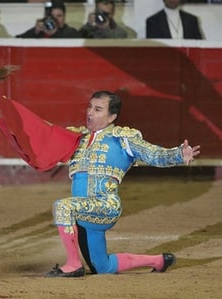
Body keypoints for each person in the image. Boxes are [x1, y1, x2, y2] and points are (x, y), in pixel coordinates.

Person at [45, 90, 200, 277]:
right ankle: (159, 261)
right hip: (84, 210)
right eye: (90, 107)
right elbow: (44, 134)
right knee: (102, 267)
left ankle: (73, 265)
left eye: (97, 109)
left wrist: (178, 155)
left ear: (112, 116)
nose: (90, 112)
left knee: (63, 207)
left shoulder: (123, 138)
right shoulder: (78, 137)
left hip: (105, 205)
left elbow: (153, 154)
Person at [16, 0, 81, 38]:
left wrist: (54, 33)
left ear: (64, 17)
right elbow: (17, 41)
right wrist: (35, 32)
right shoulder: (40, 30)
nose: (55, 19)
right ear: (45, 16)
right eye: (52, 16)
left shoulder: (71, 33)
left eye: (59, 16)